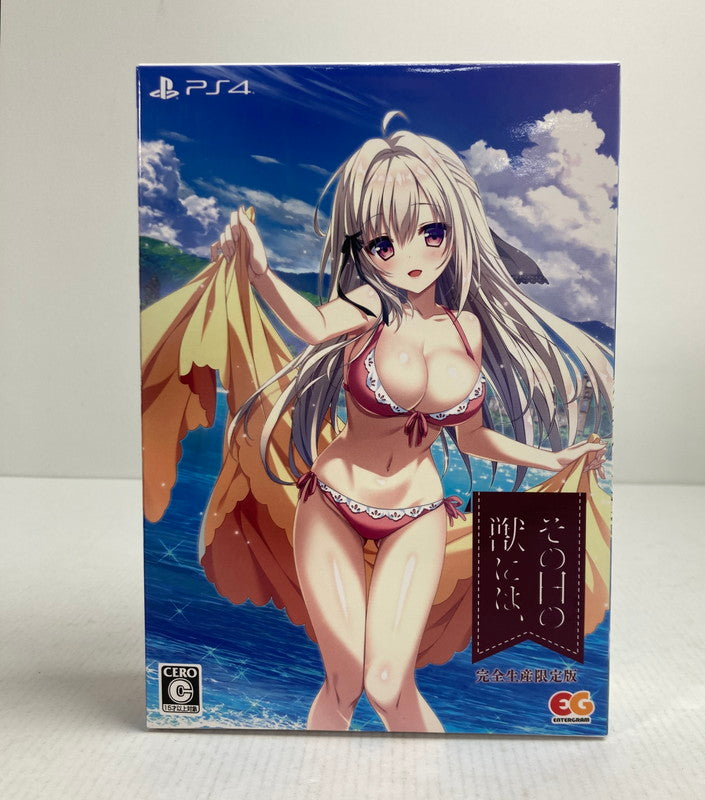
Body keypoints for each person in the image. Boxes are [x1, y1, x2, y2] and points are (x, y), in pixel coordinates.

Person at [202, 113, 611, 732]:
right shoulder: (370, 304)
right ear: (363, 249)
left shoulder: (465, 329)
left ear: (456, 230)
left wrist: (552, 460)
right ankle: (317, 772)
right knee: (345, 679)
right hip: (335, 501)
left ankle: (436, 773)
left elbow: (473, 436)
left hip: (418, 512)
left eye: (430, 232)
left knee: (389, 685)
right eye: (383, 244)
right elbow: (312, 326)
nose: (410, 257)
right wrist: (258, 271)